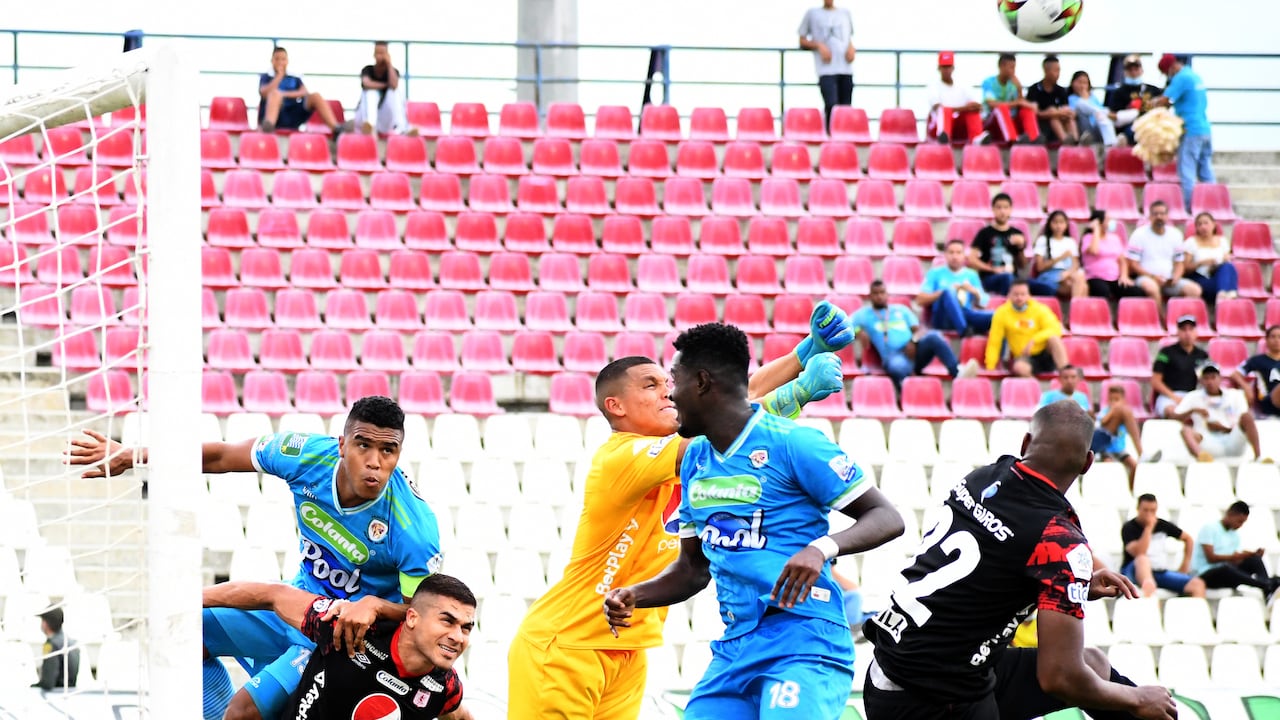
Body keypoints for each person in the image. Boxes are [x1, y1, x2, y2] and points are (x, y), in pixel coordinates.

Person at [508, 305, 853, 720]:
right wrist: (795, 394)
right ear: (616, 406)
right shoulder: (620, 456)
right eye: (651, 385)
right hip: (567, 642)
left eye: (669, 383)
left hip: (627, 646)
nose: (668, 393)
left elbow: (733, 398)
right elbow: (729, 425)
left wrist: (803, 353)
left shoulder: (688, 456)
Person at [68, 396, 443, 720]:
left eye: (388, 450)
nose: (375, 461)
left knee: (243, 712)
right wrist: (132, 455)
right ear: (342, 444)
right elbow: (221, 455)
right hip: (293, 605)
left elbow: (420, 614)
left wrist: (374, 605)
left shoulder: (414, 528)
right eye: (363, 445)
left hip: (334, 640)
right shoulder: (307, 455)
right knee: (181, 630)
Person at [603, 322, 905, 720]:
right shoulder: (695, 461)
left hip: (804, 639)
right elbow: (692, 569)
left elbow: (886, 517)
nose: (671, 395)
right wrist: (635, 594)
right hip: (735, 647)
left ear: (702, 383)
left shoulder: (793, 443)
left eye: (675, 381)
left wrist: (821, 548)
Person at [863, 400, 1177, 720]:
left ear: (1026, 443)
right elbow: (1060, 677)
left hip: (905, 666)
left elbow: (992, 567)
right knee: (1101, 685)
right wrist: (1137, 698)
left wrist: (1073, 586)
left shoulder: (982, 479)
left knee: (1093, 665)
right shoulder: (1058, 540)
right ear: (1087, 463)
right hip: (931, 697)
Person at [203, 575, 473, 720]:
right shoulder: (352, 628)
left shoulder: (445, 687)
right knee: (242, 710)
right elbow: (274, 595)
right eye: (447, 621)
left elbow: (457, 715)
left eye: (466, 628)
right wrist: (192, 598)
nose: (457, 637)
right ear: (412, 618)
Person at [853, 279, 980, 389]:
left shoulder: (901, 310)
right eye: (875, 294)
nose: (879, 296)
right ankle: (909, 392)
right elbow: (844, 325)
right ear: (870, 296)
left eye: (882, 292)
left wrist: (913, 341)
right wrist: (859, 331)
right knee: (897, 367)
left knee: (934, 336)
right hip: (893, 356)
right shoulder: (863, 314)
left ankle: (957, 372)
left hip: (914, 352)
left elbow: (920, 330)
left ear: (887, 294)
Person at [1153, 54, 1214, 210]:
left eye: (1166, 73)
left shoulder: (1181, 78)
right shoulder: (1194, 76)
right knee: (1206, 172)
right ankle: (1213, 205)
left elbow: (1165, 100)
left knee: (1187, 172)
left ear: (1172, 68)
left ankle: (1189, 209)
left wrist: (1150, 104)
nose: (1168, 77)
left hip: (1190, 130)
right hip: (1205, 129)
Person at [1120, 494, 1207, 599]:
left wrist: (1184, 566)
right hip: (1134, 571)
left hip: (1159, 571)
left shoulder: (1162, 525)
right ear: (1138, 509)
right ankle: (1149, 591)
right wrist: (1149, 528)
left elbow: (1188, 539)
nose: (1149, 514)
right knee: (1143, 559)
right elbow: (1139, 552)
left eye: (1152, 510)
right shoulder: (1129, 527)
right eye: (1145, 510)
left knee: (1197, 584)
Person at [1176, 364, 1265, 462]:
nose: (1210, 382)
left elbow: (1244, 420)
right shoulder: (1193, 396)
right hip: (1207, 442)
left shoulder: (1235, 395)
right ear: (1201, 381)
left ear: (1220, 379)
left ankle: (1258, 457)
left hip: (1232, 440)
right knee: (1186, 430)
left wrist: (1223, 428)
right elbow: (1174, 416)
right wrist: (1193, 410)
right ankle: (1201, 457)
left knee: (1247, 416)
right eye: (1206, 378)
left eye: (1213, 377)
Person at [969, 193, 1054, 296]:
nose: (1002, 211)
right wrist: (992, 269)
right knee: (1007, 278)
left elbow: (1022, 265)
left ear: (1010, 209)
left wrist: (1020, 247)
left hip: (1014, 279)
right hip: (989, 278)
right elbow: (972, 259)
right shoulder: (984, 233)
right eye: (999, 207)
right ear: (993, 209)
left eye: (1006, 207)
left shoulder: (1016, 233)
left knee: (1047, 288)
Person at [1193, 501, 1280, 598]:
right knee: (1225, 568)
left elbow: (1235, 560)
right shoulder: (1209, 528)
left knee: (1254, 560)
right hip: (1206, 575)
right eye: (1239, 521)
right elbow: (1211, 558)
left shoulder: (1234, 535)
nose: (1240, 525)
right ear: (1230, 514)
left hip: (1227, 575)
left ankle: (1267, 589)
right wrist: (1239, 556)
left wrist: (1251, 555)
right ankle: (1266, 584)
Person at [1127, 201, 1201, 312]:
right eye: (1155, 214)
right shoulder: (1139, 234)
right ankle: (1161, 320)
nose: (1159, 217)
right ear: (1150, 216)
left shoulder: (1175, 234)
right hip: (1146, 278)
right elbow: (1133, 264)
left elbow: (1179, 263)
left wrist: (1176, 277)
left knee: (1194, 290)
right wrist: (1153, 277)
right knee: (1152, 288)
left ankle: (1179, 319)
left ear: (1167, 216)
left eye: (1162, 214)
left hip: (1168, 279)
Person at [985, 279, 1067, 377]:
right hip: (1024, 357)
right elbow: (994, 342)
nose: (1019, 298)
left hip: (1045, 353)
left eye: (1023, 294)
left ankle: (1066, 374)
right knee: (1019, 368)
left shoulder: (1040, 309)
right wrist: (990, 367)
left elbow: (1055, 329)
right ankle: (1034, 385)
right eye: (1016, 294)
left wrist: (1034, 340)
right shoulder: (1001, 313)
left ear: (1028, 295)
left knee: (1054, 339)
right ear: (1009, 295)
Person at [797, 0, 855, 131]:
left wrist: (852, 48)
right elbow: (802, 40)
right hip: (826, 69)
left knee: (846, 108)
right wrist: (819, 45)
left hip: (846, 69)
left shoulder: (845, 13)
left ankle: (844, 137)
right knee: (831, 105)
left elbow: (848, 38)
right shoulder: (812, 13)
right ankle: (830, 136)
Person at [258, 46, 343, 134]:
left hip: (293, 115)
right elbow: (263, 93)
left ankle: (336, 128)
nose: (280, 62)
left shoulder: (294, 78)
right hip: (277, 117)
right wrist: (279, 77)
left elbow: (304, 92)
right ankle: (268, 129)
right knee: (275, 94)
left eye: (283, 59)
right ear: (272, 61)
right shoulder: (266, 77)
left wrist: (283, 94)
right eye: (277, 59)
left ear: (287, 61)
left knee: (315, 96)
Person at [918, 239, 994, 336]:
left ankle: (967, 328)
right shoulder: (935, 273)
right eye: (951, 252)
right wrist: (944, 293)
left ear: (964, 255)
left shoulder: (971, 275)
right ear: (945, 255)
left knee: (997, 316)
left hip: (965, 314)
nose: (955, 256)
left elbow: (983, 304)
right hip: (943, 316)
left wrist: (974, 292)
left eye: (958, 253)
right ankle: (964, 330)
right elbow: (920, 300)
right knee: (948, 292)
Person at [1151, 315, 1209, 419]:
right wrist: (1174, 397)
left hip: (1192, 396)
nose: (1187, 333)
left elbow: (1206, 379)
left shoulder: (1202, 355)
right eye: (1183, 329)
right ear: (1178, 332)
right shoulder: (1166, 352)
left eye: (1191, 329)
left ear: (1196, 332)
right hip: (1169, 397)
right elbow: (1155, 381)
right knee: (1172, 412)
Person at [1094, 384, 1151, 488]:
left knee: (1134, 465)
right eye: (1111, 399)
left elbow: (1131, 429)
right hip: (1106, 449)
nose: (1114, 402)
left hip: (1119, 449)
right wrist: (1113, 411)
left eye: (1117, 400)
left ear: (1123, 400)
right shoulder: (1105, 411)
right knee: (1109, 467)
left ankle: (1130, 489)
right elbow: (1102, 423)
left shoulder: (1124, 415)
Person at [354, 41, 412, 136]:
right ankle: (370, 125)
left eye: (382, 53)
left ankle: (402, 128)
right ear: (374, 54)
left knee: (394, 92)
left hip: (383, 120)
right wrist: (385, 85)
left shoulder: (393, 72)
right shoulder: (368, 70)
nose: (379, 56)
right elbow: (367, 84)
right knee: (371, 93)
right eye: (377, 53)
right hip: (364, 117)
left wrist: (389, 64)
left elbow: (394, 85)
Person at [1081, 209, 1142, 299]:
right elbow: (1094, 250)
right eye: (1108, 220)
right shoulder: (1088, 238)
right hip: (1095, 277)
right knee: (1102, 291)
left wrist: (1124, 276)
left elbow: (1122, 260)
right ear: (1099, 222)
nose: (1110, 222)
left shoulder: (1114, 238)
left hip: (1114, 278)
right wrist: (1096, 230)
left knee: (1137, 292)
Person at [1104, 54, 1162, 146]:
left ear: (1141, 70)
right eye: (1130, 70)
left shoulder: (1153, 90)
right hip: (1131, 127)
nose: (1133, 72)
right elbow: (1113, 115)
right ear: (1125, 72)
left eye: (1136, 69)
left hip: (1152, 124)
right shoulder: (1118, 93)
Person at [981, 53, 1040, 144]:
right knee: (1001, 108)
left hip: (1011, 120)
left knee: (1026, 110)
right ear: (1001, 66)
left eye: (1014, 68)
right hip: (992, 122)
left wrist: (1019, 89)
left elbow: (1020, 102)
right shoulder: (989, 82)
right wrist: (1017, 103)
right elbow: (992, 105)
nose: (1013, 71)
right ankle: (1013, 140)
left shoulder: (1013, 84)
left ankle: (1034, 139)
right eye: (1011, 67)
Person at [926, 51, 983, 144]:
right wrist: (965, 108)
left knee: (972, 110)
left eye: (948, 66)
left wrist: (968, 108)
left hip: (958, 126)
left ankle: (977, 138)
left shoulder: (963, 85)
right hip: (937, 127)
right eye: (944, 67)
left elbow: (977, 107)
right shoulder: (933, 86)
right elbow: (938, 108)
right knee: (944, 111)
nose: (946, 70)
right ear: (939, 68)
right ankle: (943, 137)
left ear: (953, 68)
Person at [1183, 212, 1238, 303]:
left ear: (1213, 225)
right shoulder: (1191, 242)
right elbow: (1185, 268)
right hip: (1199, 278)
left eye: (1206, 223)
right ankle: (1226, 298)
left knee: (1228, 266)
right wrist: (1202, 263)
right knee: (1226, 285)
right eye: (1199, 224)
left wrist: (1217, 264)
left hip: (1217, 275)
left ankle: (1222, 296)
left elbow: (1226, 260)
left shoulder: (1222, 241)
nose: (1203, 227)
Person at [1031, 210, 1087, 298]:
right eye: (1055, 222)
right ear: (1049, 224)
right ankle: (1076, 305)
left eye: (1061, 222)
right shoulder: (1042, 240)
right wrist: (1061, 257)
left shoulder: (1070, 241)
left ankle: (1075, 305)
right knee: (1081, 284)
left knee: (1082, 283)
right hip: (1050, 275)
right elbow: (1040, 267)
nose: (1058, 226)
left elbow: (1075, 264)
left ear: (1066, 224)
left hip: (1068, 274)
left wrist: (1068, 273)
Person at [1025, 55, 1079, 145]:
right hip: (1042, 126)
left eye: (1059, 70)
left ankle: (1076, 141)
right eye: (1055, 70)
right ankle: (1066, 141)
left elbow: (1066, 109)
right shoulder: (1034, 89)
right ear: (1046, 70)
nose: (1058, 74)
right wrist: (1053, 113)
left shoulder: (1061, 90)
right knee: (1053, 114)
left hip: (1060, 122)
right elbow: (1035, 113)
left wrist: (1066, 113)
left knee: (1068, 117)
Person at [1230, 324, 1280, 418]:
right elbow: (1235, 374)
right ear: (1266, 340)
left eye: (1279, 337)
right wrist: (1246, 386)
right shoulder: (1257, 360)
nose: (1276, 340)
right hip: (1268, 401)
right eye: (1273, 337)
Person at [32, 607, 79, 692]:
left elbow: (48, 682)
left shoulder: (51, 644)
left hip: (55, 694)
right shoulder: (72, 643)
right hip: (70, 692)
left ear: (46, 623)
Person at [1068, 71, 1117, 146]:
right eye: (1079, 82)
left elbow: (1102, 112)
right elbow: (1073, 113)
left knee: (1103, 116)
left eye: (1085, 83)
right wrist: (1084, 99)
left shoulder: (1093, 98)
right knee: (1081, 107)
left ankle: (1112, 143)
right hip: (1084, 127)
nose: (1082, 86)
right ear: (1073, 83)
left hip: (1098, 127)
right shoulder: (1071, 98)